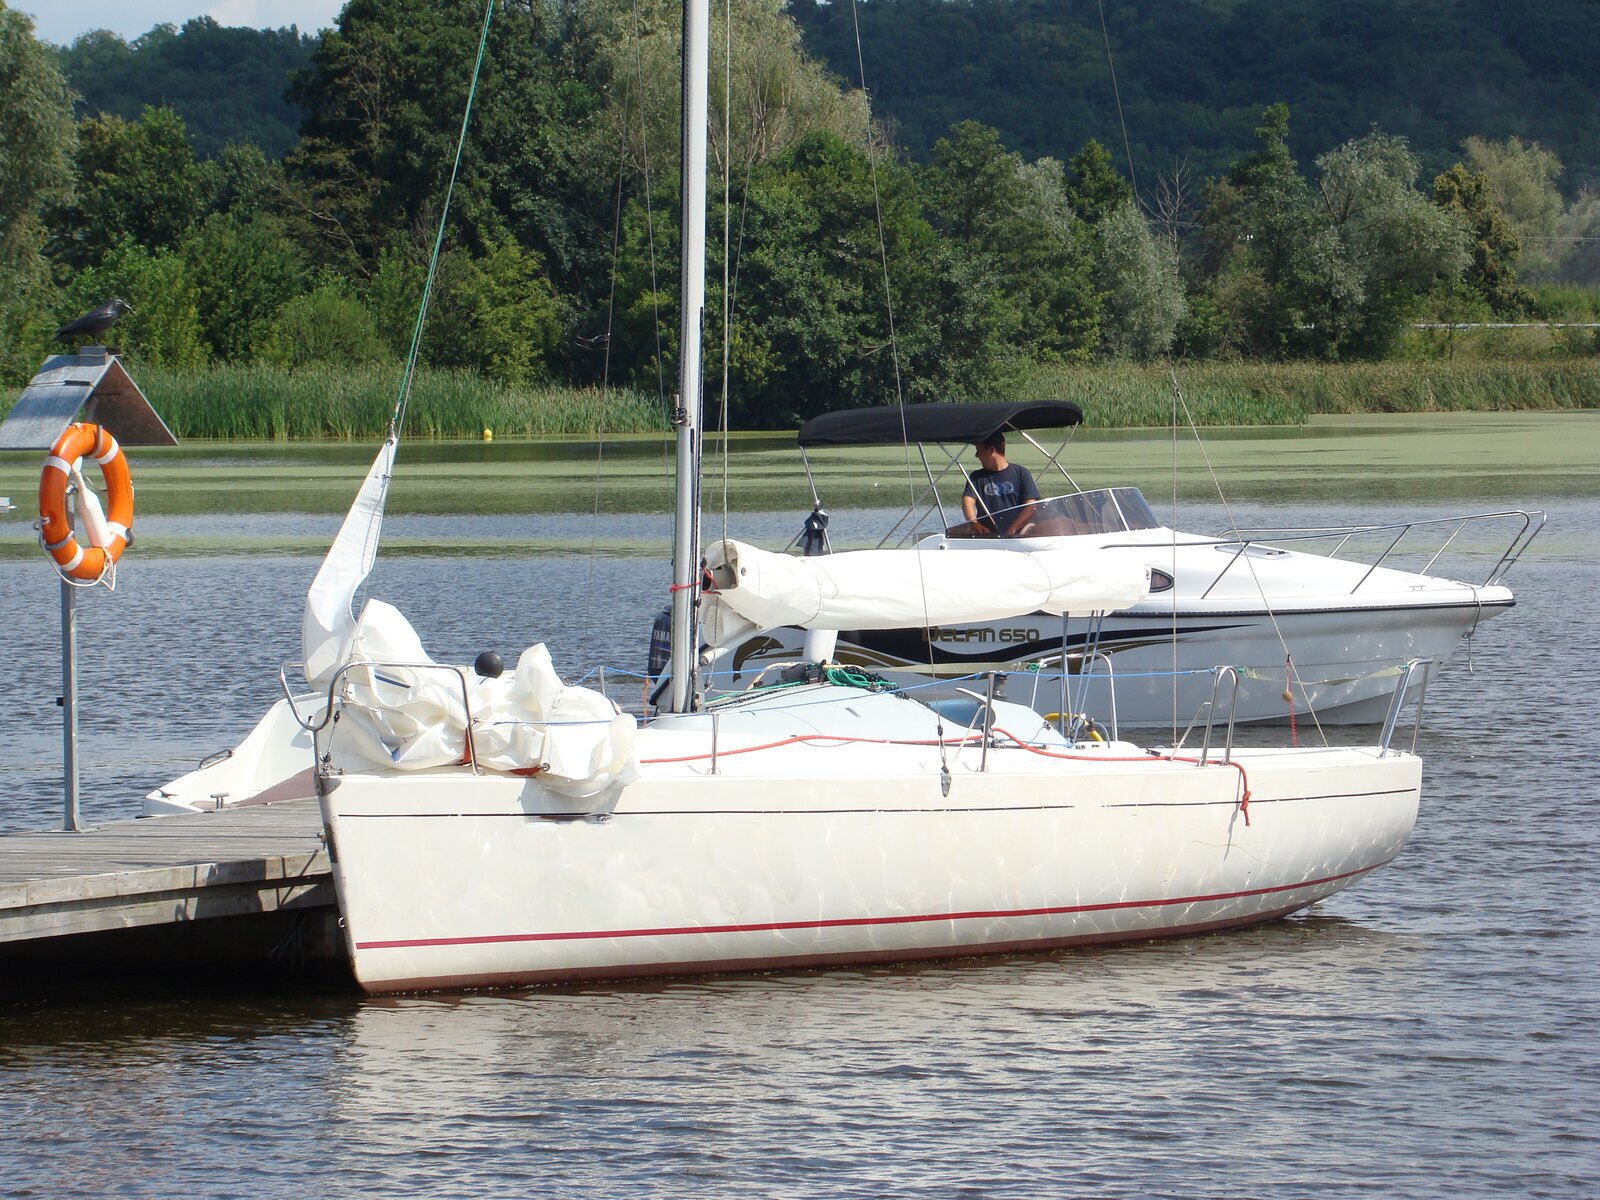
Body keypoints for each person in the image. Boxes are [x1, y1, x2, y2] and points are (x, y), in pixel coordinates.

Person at [961, 432, 1040, 537]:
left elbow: (1030, 506)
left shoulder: (1021, 473)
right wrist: (974, 523)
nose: (977, 455)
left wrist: (1012, 530)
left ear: (992, 450)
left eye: (979, 450)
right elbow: (967, 501)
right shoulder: (976, 477)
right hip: (988, 535)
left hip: (1018, 535)